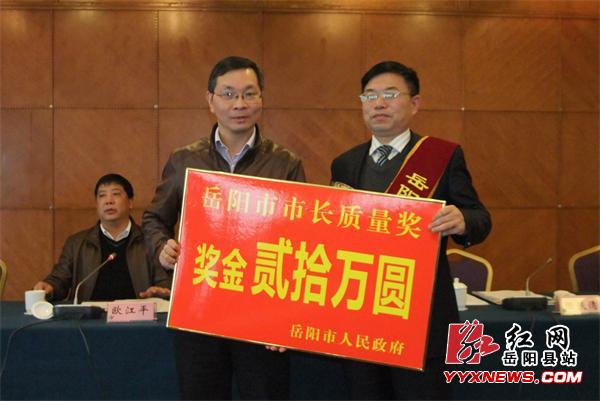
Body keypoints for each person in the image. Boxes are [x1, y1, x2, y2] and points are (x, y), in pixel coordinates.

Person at [142, 56, 305, 400]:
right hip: (199, 309)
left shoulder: (285, 163)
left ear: (261, 99)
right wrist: (161, 247)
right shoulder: (185, 160)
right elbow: (154, 218)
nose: (239, 104)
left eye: (249, 93)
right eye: (228, 94)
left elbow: (300, 243)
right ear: (210, 100)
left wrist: (285, 318)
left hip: (261, 314)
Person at [330, 61, 492, 400]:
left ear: (415, 103)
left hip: (421, 317)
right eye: (369, 96)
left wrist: (463, 219)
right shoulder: (345, 163)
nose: (378, 103)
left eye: (390, 95)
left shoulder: (441, 156)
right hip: (359, 315)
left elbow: (480, 218)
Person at [34, 173, 171, 302]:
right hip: (89, 317)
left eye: (116, 194)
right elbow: (59, 279)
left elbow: (164, 282)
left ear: (130, 202)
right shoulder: (76, 243)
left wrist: (162, 291)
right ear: (97, 204)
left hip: (136, 316)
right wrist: (49, 286)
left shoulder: (151, 241)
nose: (108, 201)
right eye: (102, 195)